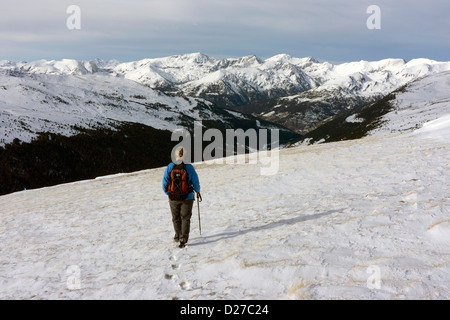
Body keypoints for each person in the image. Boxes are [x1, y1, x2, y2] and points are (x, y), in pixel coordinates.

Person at [162, 147, 200, 248]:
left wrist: (168, 193)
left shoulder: (170, 166)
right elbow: (195, 181)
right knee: (185, 218)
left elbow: (165, 182)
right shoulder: (189, 167)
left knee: (176, 218)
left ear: (175, 155)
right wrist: (197, 191)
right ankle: (183, 239)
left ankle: (177, 235)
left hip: (173, 197)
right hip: (187, 197)